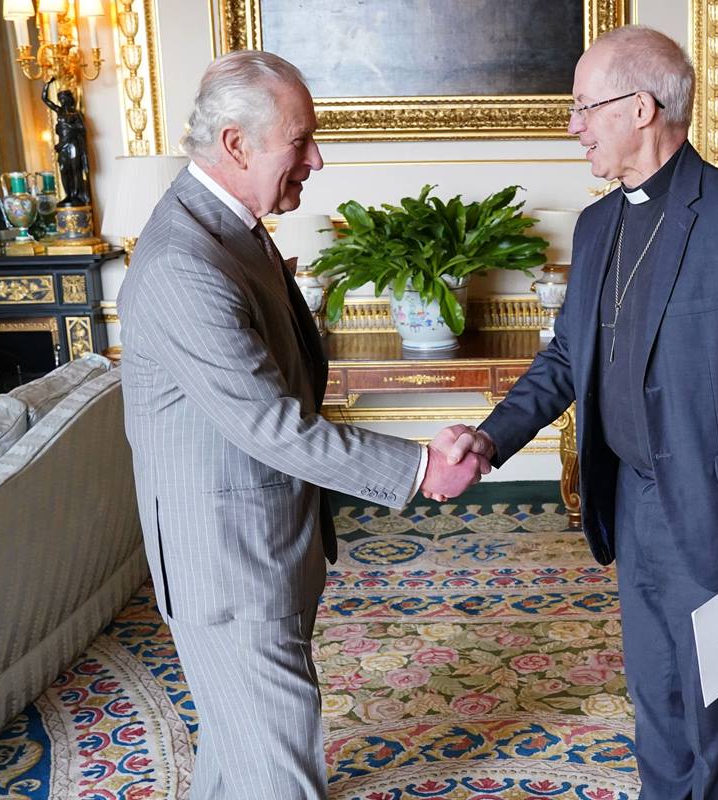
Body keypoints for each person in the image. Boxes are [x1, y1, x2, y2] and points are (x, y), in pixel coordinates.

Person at [439, 25, 718, 799]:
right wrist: (489, 438)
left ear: (641, 108)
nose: (573, 125)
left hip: (715, 505)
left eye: (584, 107)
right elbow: (563, 361)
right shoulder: (597, 224)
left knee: (713, 689)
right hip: (634, 495)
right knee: (653, 679)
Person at [117, 50, 486, 799]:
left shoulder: (231, 230)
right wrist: (419, 467)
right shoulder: (186, 261)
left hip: (257, 549)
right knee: (280, 778)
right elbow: (272, 425)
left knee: (238, 762)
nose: (316, 158)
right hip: (228, 564)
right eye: (300, 139)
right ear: (235, 144)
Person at [41, 80, 90, 206]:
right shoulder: (59, 111)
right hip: (63, 146)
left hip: (73, 144)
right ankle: (68, 195)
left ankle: (77, 195)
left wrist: (69, 129)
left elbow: (82, 129)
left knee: (75, 169)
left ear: (69, 99)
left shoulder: (75, 114)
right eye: (60, 99)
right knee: (64, 169)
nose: (62, 101)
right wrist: (47, 84)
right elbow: (45, 99)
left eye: (63, 99)